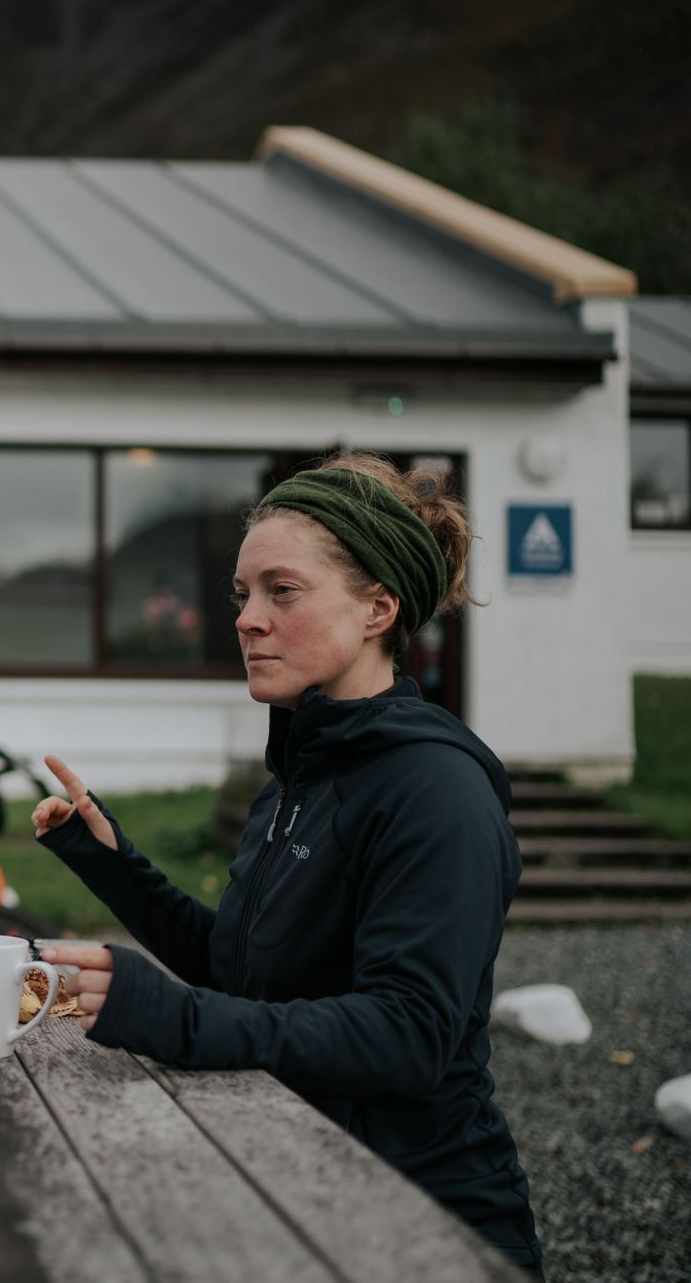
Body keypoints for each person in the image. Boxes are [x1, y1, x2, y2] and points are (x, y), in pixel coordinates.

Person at [30, 453, 542, 1275]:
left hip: (424, 1223)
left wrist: (174, 1019)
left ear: (379, 607)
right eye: (243, 594)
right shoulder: (299, 774)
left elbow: (407, 1034)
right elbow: (247, 969)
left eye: (283, 590)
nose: (246, 618)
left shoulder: (436, 789)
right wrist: (114, 866)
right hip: (294, 1180)